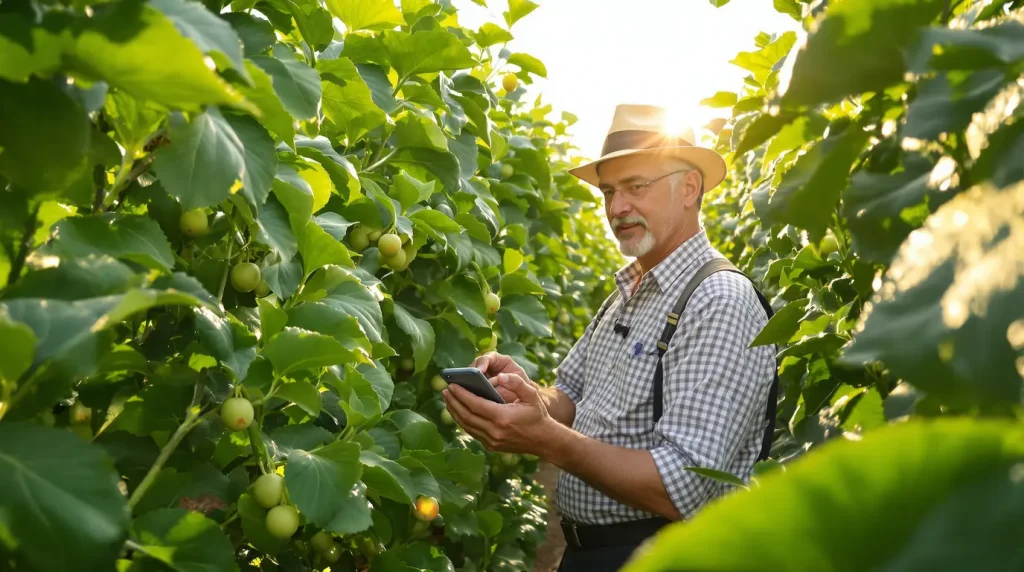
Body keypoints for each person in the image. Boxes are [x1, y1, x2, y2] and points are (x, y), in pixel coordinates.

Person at [440, 104, 776, 572]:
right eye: (609, 191)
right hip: (593, 554)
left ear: (690, 189)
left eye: (637, 186)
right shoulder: (628, 291)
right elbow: (573, 398)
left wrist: (547, 440)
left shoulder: (718, 300)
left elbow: (681, 486)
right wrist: (525, 392)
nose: (617, 209)